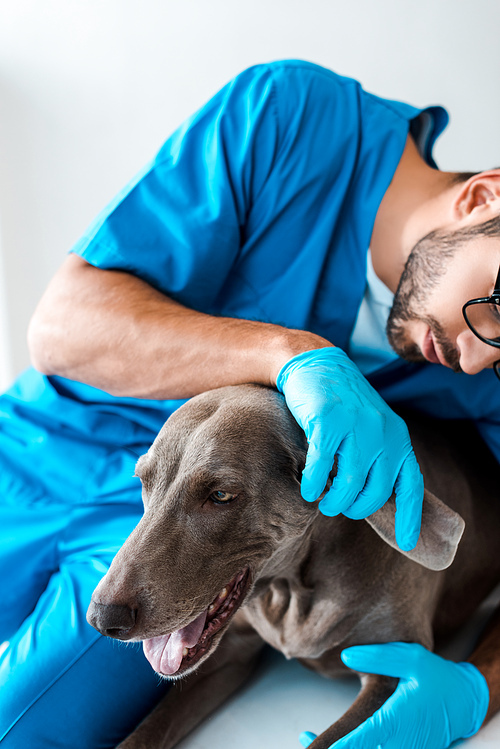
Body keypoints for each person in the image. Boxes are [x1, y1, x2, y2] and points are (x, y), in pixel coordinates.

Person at [0, 58, 498, 748]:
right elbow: (60, 328)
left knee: (16, 728)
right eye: (497, 309)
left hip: (175, 532)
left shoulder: (484, 378)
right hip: (41, 444)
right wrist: (287, 354)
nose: (478, 357)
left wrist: (481, 686)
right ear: (485, 198)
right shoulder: (291, 117)